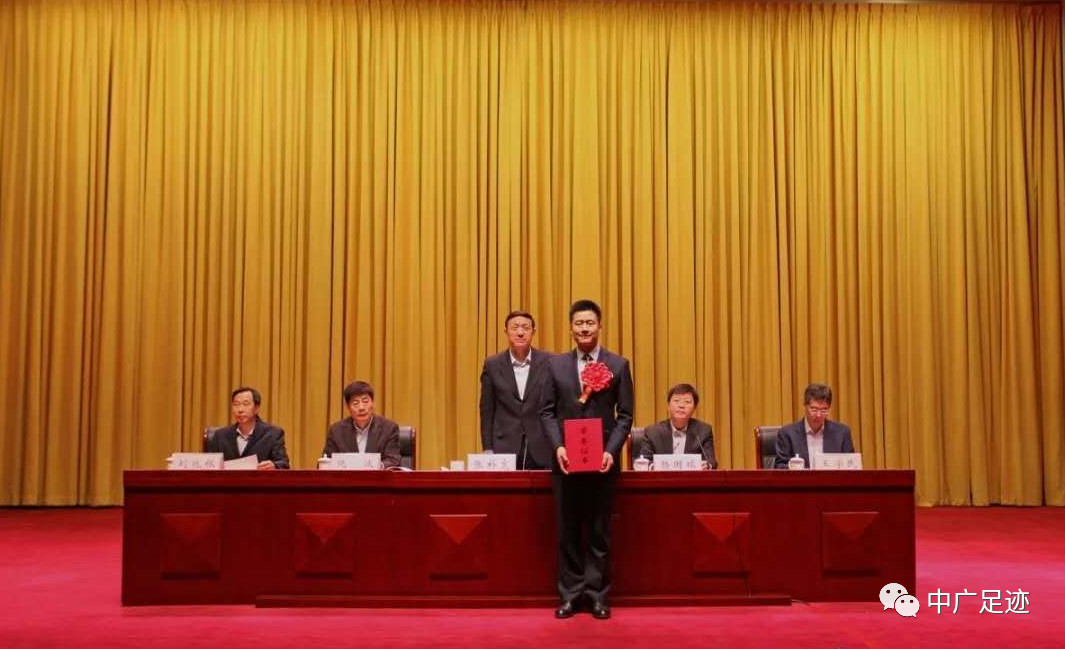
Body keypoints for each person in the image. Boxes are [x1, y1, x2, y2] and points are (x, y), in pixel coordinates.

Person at [540, 299, 634, 620]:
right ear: (571, 328)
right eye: (579, 323)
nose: (584, 328)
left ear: (599, 326)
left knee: (598, 531)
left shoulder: (618, 364)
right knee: (567, 531)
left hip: (602, 462)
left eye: (590, 323)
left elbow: (626, 415)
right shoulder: (554, 365)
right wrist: (558, 447)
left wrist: (611, 450)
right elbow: (546, 412)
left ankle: (596, 596)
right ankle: (569, 596)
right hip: (566, 462)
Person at [479, 310, 552, 469]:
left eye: (525, 328)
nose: (520, 333)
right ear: (506, 331)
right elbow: (487, 410)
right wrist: (487, 447)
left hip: (541, 444)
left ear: (533, 332)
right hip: (504, 446)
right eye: (515, 327)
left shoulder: (549, 361)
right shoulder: (492, 365)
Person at [774, 383, 855, 469]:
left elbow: (852, 466)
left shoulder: (842, 433)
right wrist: (794, 467)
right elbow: (779, 466)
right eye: (814, 409)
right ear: (805, 406)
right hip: (801, 478)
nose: (818, 415)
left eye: (824, 410)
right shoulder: (787, 433)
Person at [206, 387, 290, 469]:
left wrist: (274, 465)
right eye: (236, 404)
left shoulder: (273, 434)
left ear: (256, 408)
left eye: (245, 404)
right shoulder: (220, 435)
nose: (240, 410)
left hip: (259, 478)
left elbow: (283, 464)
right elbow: (209, 465)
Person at [322, 381, 401, 469]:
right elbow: (327, 460)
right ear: (348, 407)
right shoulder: (336, 431)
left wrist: (377, 467)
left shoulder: (389, 429)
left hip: (377, 477)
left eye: (365, 401)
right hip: (347, 477)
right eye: (355, 403)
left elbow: (393, 460)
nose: (361, 408)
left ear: (373, 403)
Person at [638, 383, 717, 469]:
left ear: (694, 408)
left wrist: (707, 465)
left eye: (687, 402)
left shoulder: (703, 431)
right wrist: (654, 466)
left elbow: (711, 462)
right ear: (668, 406)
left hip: (691, 477)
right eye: (676, 401)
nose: (681, 406)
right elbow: (644, 462)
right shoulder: (652, 433)